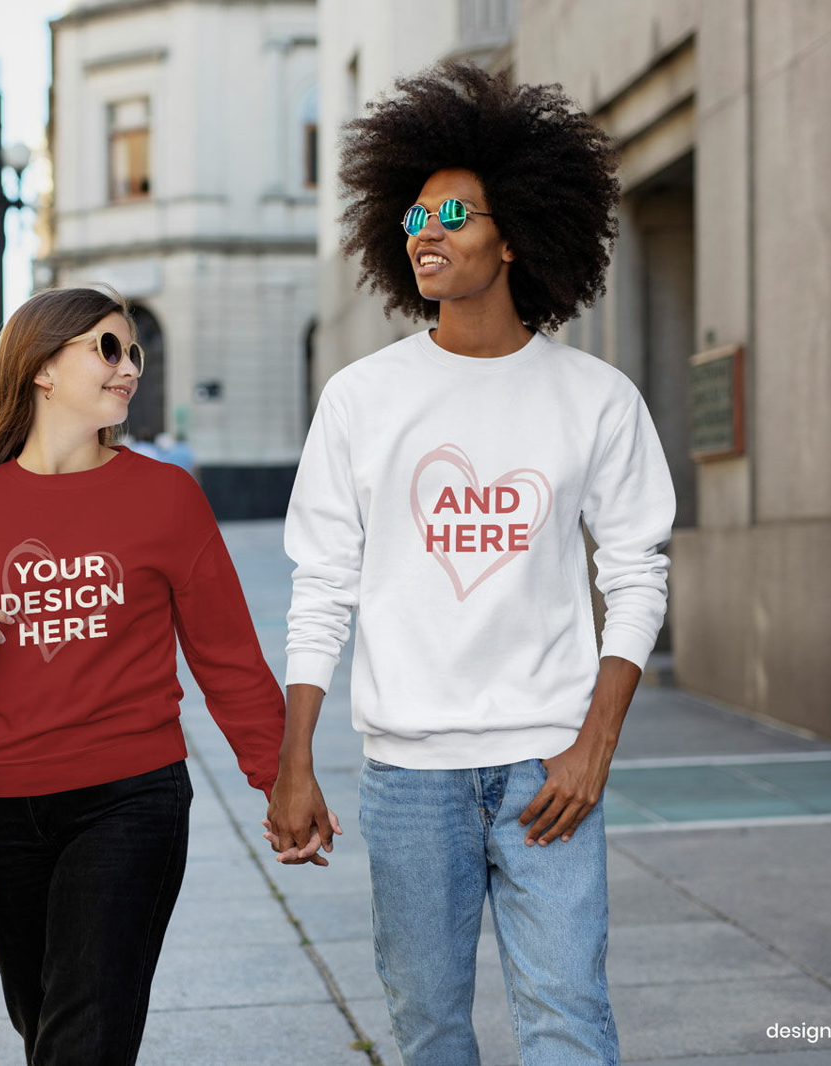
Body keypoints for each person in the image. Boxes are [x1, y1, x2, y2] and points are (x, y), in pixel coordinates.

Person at [266, 62, 676, 1065]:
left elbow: (636, 573)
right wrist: (294, 758)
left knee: (568, 1019)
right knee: (429, 1028)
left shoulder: (595, 398)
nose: (426, 230)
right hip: (408, 774)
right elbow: (320, 583)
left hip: (548, 767)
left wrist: (592, 747)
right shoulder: (363, 400)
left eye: (453, 210)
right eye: (412, 213)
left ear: (515, 232)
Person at [0, 286, 285, 1065]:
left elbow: (227, 653)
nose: (129, 367)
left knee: (86, 1037)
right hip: (1, 812)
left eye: (134, 351)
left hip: (131, 798)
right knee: (46, 1027)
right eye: (108, 348)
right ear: (41, 367)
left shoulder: (166, 495)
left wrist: (280, 777)